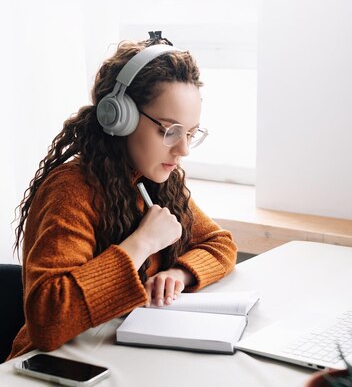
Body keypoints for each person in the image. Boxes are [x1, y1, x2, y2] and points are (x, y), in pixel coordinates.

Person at [9, 32, 237, 360]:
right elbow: (47, 319)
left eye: (189, 133)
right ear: (119, 117)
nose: (183, 149)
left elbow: (220, 244)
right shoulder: (71, 191)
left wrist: (179, 273)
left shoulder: (158, 181)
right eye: (170, 131)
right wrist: (140, 244)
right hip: (51, 370)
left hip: (118, 357)